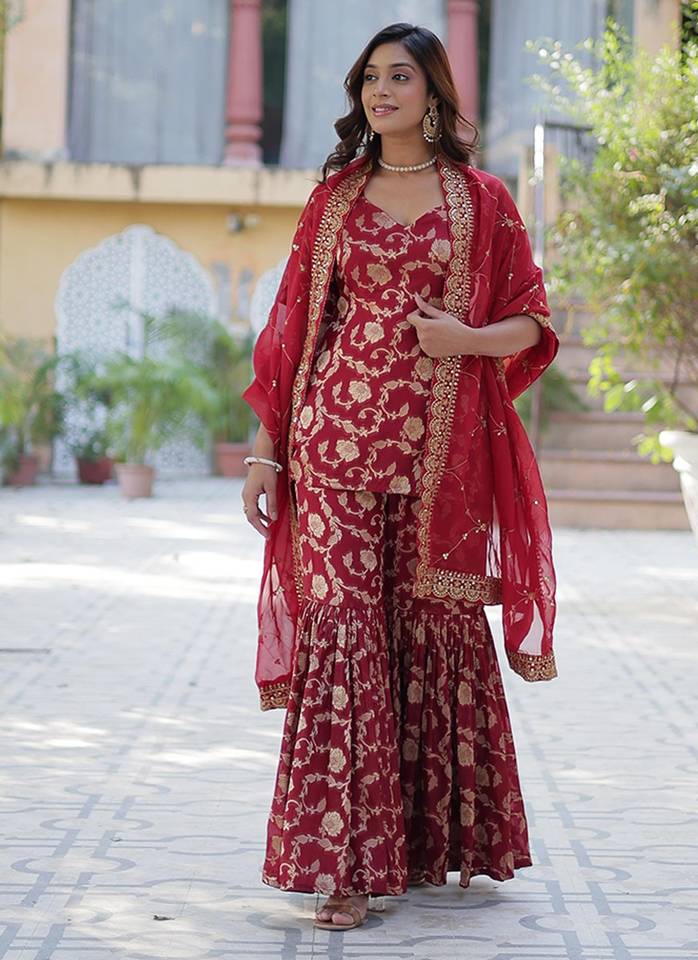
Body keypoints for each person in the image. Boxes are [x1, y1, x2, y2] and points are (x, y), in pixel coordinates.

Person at [240, 21, 559, 932]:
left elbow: (534, 322)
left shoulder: (483, 200)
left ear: (434, 93)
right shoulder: (334, 199)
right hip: (332, 445)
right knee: (343, 634)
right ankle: (342, 866)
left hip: (438, 456)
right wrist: (266, 450)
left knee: (429, 628)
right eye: (370, 78)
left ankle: (421, 843)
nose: (381, 91)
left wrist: (465, 339)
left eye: (400, 77)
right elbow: (291, 328)